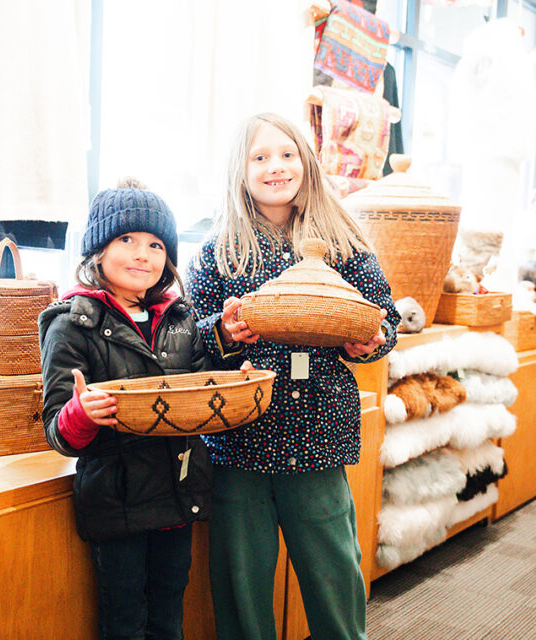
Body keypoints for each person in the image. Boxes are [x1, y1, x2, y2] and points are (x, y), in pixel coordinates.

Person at [185, 112, 401, 640]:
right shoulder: (217, 252)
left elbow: (384, 318)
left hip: (319, 435)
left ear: (306, 162)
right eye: (260, 157)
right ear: (241, 171)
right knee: (241, 582)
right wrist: (224, 333)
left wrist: (371, 341)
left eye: (286, 154)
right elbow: (190, 341)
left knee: (334, 574)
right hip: (240, 438)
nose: (275, 167)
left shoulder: (345, 243)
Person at [39, 182, 213, 640]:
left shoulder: (181, 317)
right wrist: (81, 413)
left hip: (177, 495)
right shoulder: (72, 322)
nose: (142, 255)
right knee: (124, 619)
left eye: (156, 245)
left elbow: (198, 390)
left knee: (168, 611)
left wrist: (233, 372)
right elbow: (58, 431)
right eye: (127, 240)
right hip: (117, 505)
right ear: (98, 250)